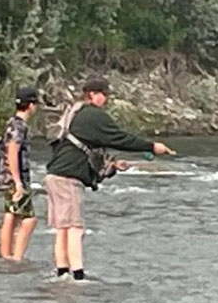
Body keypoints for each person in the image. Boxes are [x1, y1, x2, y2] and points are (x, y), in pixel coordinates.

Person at [44, 77, 174, 280]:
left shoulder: (75, 112)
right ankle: (78, 276)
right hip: (68, 178)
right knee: (75, 228)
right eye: (104, 94)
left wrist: (112, 166)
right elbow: (119, 138)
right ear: (93, 94)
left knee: (63, 227)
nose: (106, 99)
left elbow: (87, 148)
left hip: (54, 175)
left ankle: (62, 272)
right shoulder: (93, 115)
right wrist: (151, 146)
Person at [0, 87, 41, 261]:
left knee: (11, 215)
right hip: (16, 178)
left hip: (5, 177)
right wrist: (19, 182)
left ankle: (6, 254)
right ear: (30, 105)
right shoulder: (19, 126)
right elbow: (12, 151)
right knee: (29, 219)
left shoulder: (11, 122)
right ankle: (17, 257)